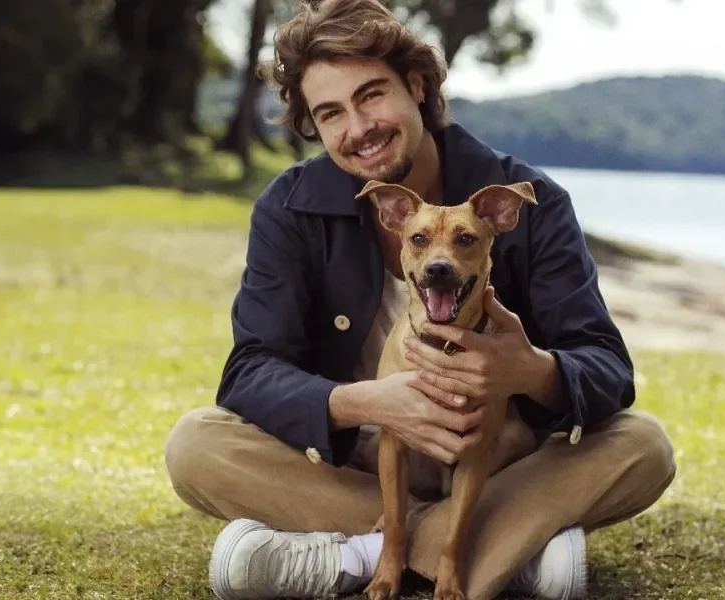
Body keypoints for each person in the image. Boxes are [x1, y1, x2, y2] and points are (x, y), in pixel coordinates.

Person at [164, 1, 676, 599]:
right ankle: (499, 553)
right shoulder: (289, 208)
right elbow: (249, 373)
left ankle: (359, 556)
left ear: (416, 85)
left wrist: (530, 370)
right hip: (356, 468)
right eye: (331, 113)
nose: (359, 128)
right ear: (315, 126)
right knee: (196, 444)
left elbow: (607, 369)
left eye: (372, 94)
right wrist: (366, 403)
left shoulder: (530, 202)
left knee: (641, 446)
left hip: (497, 468)